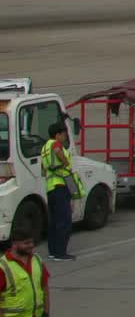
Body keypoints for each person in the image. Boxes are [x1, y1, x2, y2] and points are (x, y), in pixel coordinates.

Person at [39, 123, 76, 263]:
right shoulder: (55, 145)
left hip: (50, 187)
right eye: (64, 133)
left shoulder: (44, 148)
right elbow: (58, 152)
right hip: (60, 185)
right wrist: (65, 162)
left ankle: (53, 252)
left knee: (54, 221)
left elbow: (42, 169)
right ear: (57, 135)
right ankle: (61, 253)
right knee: (64, 220)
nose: (65, 136)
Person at [1, 230, 49, 317]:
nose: (31, 245)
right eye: (26, 243)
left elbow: (45, 288)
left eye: (32, 242)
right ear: (14, 244)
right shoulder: (3, 267)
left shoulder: (37, 260)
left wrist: (46, 312)